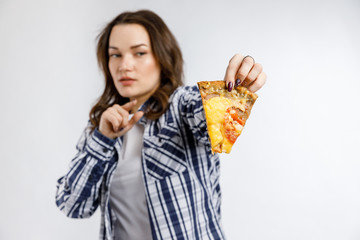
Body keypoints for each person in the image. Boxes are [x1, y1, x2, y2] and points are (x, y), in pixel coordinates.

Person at [55, 9, 266, 240]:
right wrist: (102, 139)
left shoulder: (180, 106)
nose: (124, 65)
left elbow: (213, 120)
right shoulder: (99, 129)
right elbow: (72, 206)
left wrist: (235, 93)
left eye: (139, 53)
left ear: (162, 57)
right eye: (115, 54)